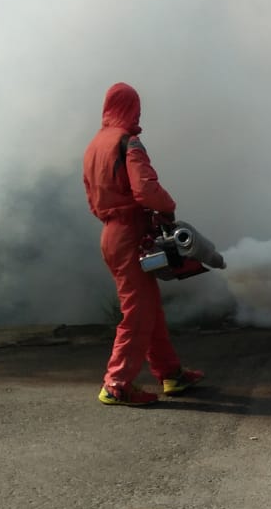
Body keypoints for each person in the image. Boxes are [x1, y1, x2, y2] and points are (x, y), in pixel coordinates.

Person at [82, 82, 203, 406]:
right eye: (137, 108)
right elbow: (146, 190)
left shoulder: (95, 145)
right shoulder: (127, 142)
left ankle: (171, 374)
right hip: (131, 232)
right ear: (130, 108)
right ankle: (117, 384)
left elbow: (92, 198)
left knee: (149, 308)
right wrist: (167, 208)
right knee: (138, 312)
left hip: (112, 233)